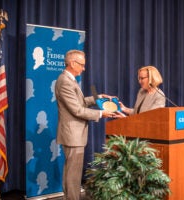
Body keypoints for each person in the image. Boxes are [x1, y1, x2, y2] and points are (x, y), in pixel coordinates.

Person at [55, 49, 114, 200]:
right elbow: (77, 110)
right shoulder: (65, 81)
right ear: (72, 63)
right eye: (82, 65)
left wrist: (97, 98)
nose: (84, 68)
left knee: (72, 171)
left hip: (74, 133)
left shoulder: (69, 80)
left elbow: (79, 102)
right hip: (72, 134)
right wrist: (101, 113)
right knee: (73, 173)